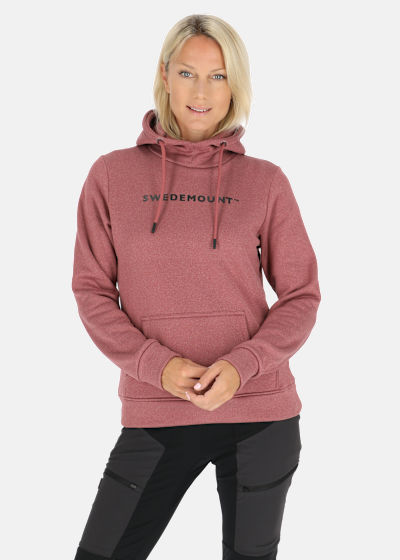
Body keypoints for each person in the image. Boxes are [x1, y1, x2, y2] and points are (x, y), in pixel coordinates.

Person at [71, 14, 321, 560]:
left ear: (235, 85)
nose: (201, 92)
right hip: (157, 409)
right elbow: (91, 292)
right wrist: (155, 365)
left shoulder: (265, 182)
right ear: (165, 76)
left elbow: (301, 295)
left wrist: (244, 365)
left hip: (259, 411)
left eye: (218, 76)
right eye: (187, 73)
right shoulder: (111, 175)